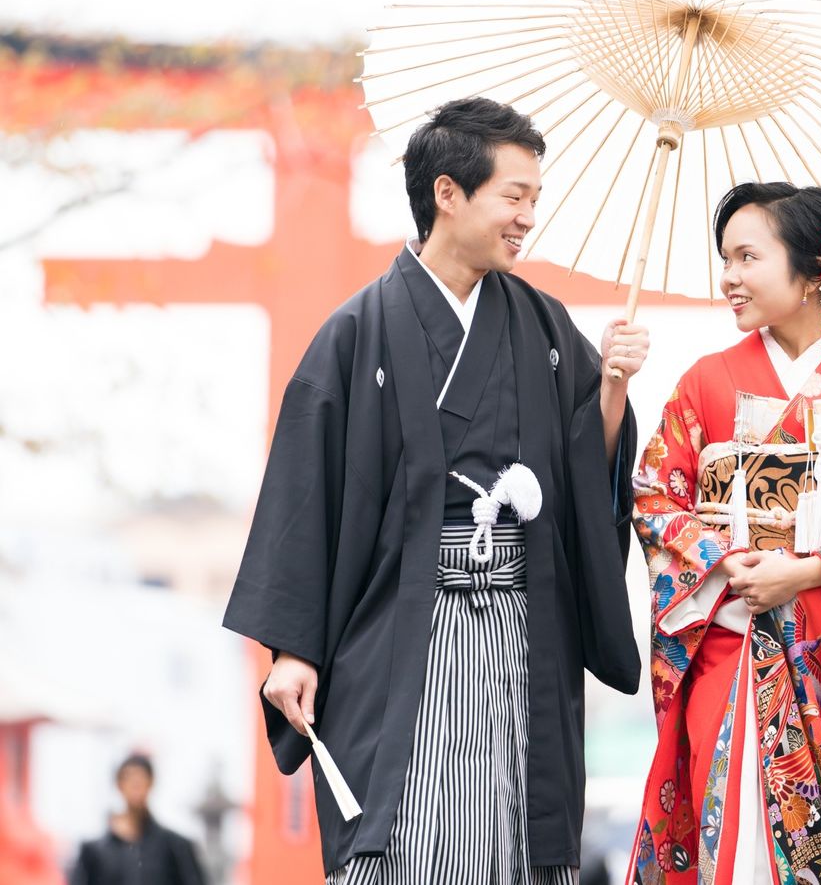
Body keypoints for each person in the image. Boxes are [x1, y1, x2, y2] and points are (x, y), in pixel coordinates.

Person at [223, 97, 649, 884]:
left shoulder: (548, 330)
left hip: (522, 626)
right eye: (514, 196)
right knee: (405, 833)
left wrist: (612, 393)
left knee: (516, 833)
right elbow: (303, 498)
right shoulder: (357, 332)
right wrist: (292, 650)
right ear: (447, 193)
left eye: (535, 199)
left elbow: (588, 480)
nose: (528, 218)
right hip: (400, 629)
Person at [626, 182, 821, 885]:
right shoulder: (704, 383)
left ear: (812, 269)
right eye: (725, 259)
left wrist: (807, 570)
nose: (728, 277)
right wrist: (726, 562)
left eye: (747, 257)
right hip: (730, 638)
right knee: (728, 844)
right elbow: (653, 497)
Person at [70, 753, 206, 885]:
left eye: (141, 778)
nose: (136, 785)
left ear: (151, 782)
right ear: (119, 785)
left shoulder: (176, 847)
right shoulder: (94, 852)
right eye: (129, 778)